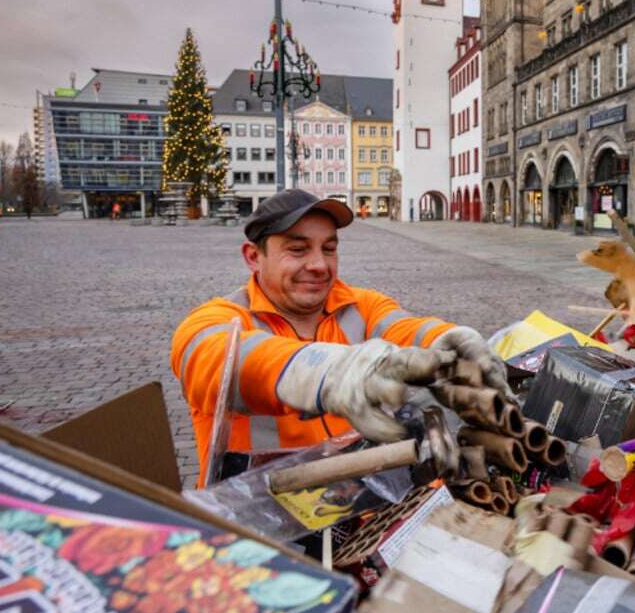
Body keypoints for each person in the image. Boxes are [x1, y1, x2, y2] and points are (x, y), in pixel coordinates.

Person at [172, 189, 513, 484]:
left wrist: (450, 338)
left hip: (355, 508)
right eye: (298, 249)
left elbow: (405, 329)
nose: (320, 265)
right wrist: (323, 372)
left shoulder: (361, 305)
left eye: (329, 248)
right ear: (253, 257)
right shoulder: (220, 319)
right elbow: (210, 357)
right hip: (260, 520)